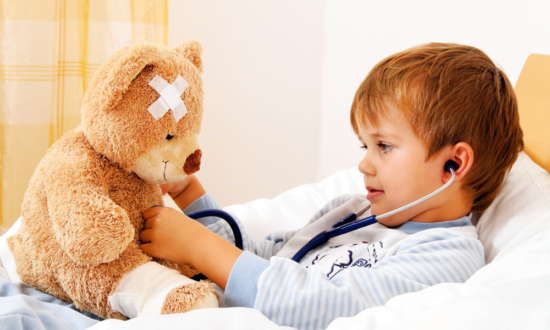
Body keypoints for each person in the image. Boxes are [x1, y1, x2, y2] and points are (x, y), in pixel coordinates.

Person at [139, 43, 523, 330]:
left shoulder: (446, 255)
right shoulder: (352, 210)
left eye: (384, 147)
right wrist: (189, 194)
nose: (363, 164)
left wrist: (197, 246)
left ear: (453, 164)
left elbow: (317, 307)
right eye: (365, 146)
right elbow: (262, 259)